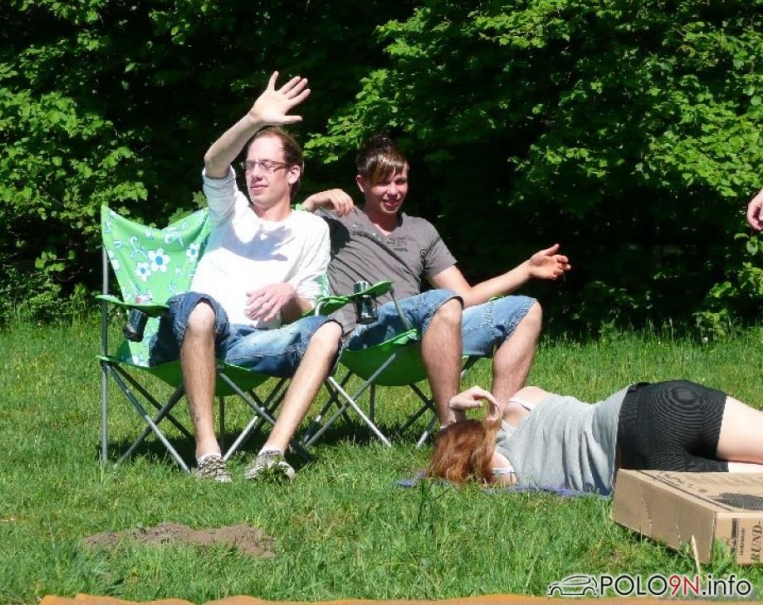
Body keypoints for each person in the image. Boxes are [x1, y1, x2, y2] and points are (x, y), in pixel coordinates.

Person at [150, 72, 343, 482]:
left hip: (252, 342)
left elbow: (306, 308)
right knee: (201, 309)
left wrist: (289, 294)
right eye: (251, 165)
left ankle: (272, 453)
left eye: (267, 165)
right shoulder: (231, 209)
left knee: (328, 329)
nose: (255, 174)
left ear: (293, 173)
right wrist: (254, 119)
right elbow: (213, 163)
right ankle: (208, 454)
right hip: (193, 330)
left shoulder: (312, 229)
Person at [301, 134, 571, 427]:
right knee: (440, 301)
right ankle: (452, 429)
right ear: (361, 183)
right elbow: (284, 234)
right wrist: (313, 202)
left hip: (425, 334)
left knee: (525, 310)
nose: (393, 191)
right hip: (367, 338)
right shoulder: (335, 221)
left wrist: (526, 269)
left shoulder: (421, 230)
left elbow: (465, 296)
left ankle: (501, 430)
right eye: (382, 183)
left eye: (400, 181)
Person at [428, 380, 763, 495]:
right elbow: (471, 441)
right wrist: (456, 408)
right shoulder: (521, 402)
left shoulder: (501, 470)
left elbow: (467, 455)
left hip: (641, 466)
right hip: (653, 406)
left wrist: (454, 426)